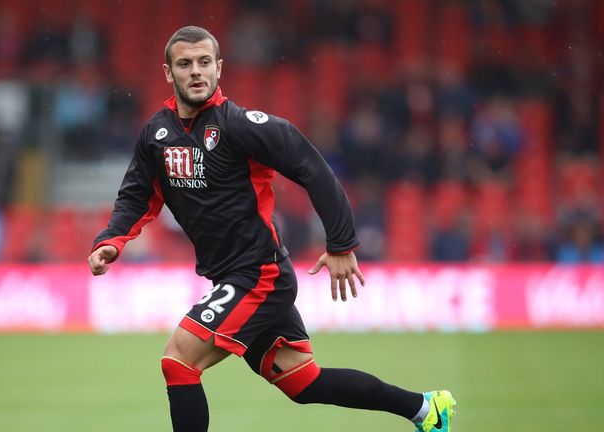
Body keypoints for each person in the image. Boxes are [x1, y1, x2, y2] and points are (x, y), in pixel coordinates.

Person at [88, 26, 456, 432]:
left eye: (205, 63)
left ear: (219, 68)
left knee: (178, 361)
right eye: (185, 64)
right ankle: (425, 408)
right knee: (303, 381)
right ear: (167, 73)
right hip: (233, 275)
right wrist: (111, 240)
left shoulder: (242, 125)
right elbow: (136, 195)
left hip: (258, 275)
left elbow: (310, 165)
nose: (196, 72)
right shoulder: (156, 134)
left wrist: (340, 242)